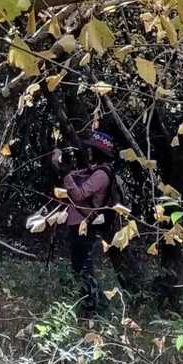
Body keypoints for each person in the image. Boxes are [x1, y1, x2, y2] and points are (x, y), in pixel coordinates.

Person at [51, 129, 115, 318]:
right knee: (80, 268)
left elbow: (78, 194)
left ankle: (92, 311)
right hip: (78, 224)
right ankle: (94, 307)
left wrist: (65, 172)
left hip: (85, 226)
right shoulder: (93, 170)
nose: (89, 152)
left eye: (92, 149)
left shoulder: (102, 174)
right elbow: (74, 178)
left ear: (99, 152)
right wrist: (61, 166)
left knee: (84, 270)